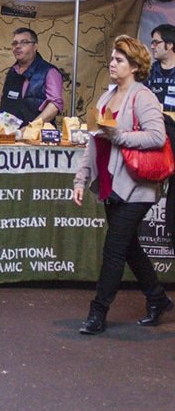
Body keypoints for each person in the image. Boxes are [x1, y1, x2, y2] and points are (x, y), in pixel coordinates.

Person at [72, 35, 171, 334]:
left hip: (138, 186)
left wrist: (120, 137)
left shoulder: (143, 97)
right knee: (128, 247)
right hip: (110, 184)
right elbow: (93, 143)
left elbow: (157, 136)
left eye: (119, 60)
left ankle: (97, 313)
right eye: (112, 59)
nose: (111, 64)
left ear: (134, 66)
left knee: (114, 249)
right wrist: (80, 179)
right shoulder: (105, 97)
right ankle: (157, 298)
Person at [0, 27, 64, 126]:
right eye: (15, 43)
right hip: (8, 137)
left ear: (35, 46)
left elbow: (54, 106)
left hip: (35, 137)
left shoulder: (49, 71)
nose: (18, 46)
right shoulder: (12, 71)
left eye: (24, 42)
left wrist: (31, 127)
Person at [147, 23, 175, 112]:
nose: (152, 46)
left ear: (170, 45)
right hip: (153, 124)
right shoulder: (149, 72)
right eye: (152, 43)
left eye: (156, 43)